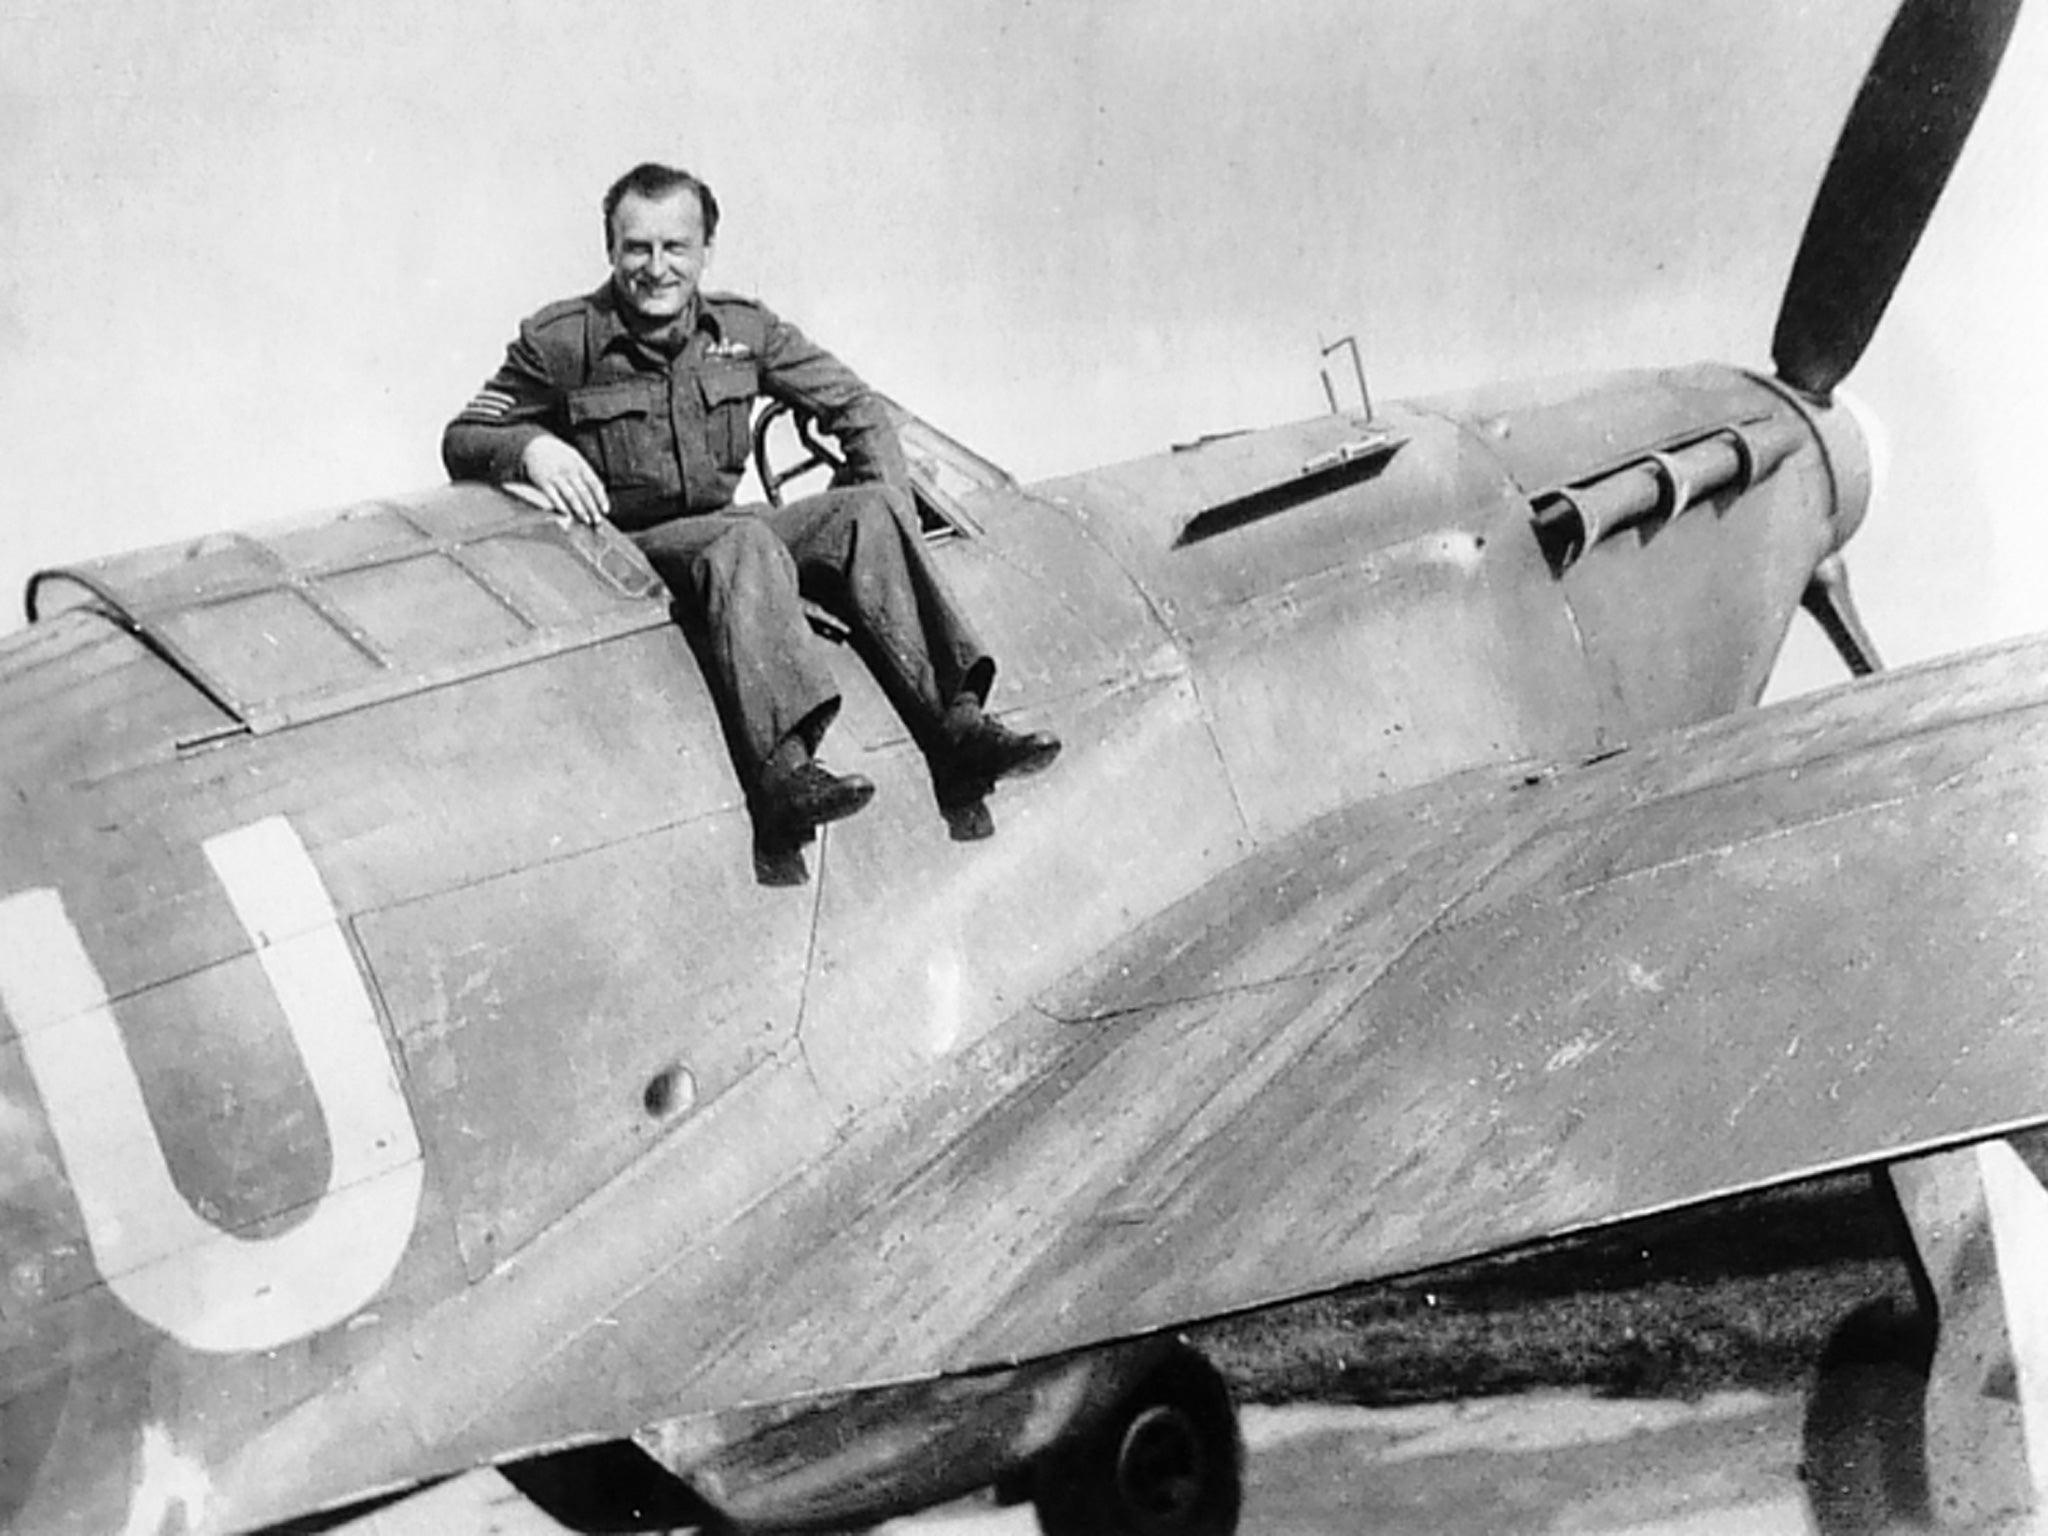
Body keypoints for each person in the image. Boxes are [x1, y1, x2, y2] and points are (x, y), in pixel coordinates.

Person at [443, 162, 1058, 849]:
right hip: (638, 548)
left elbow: (856, 406)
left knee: (870, 510)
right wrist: (529, 447)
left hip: (732, 525)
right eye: (636, 247)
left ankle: (961, 726)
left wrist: (896, 535)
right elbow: (467, 434)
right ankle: (787, 775)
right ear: (610, 248)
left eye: (674, 247)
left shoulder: (744, 329)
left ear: (705, 250)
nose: (655, 268)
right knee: (745, 546)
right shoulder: (561, 340)